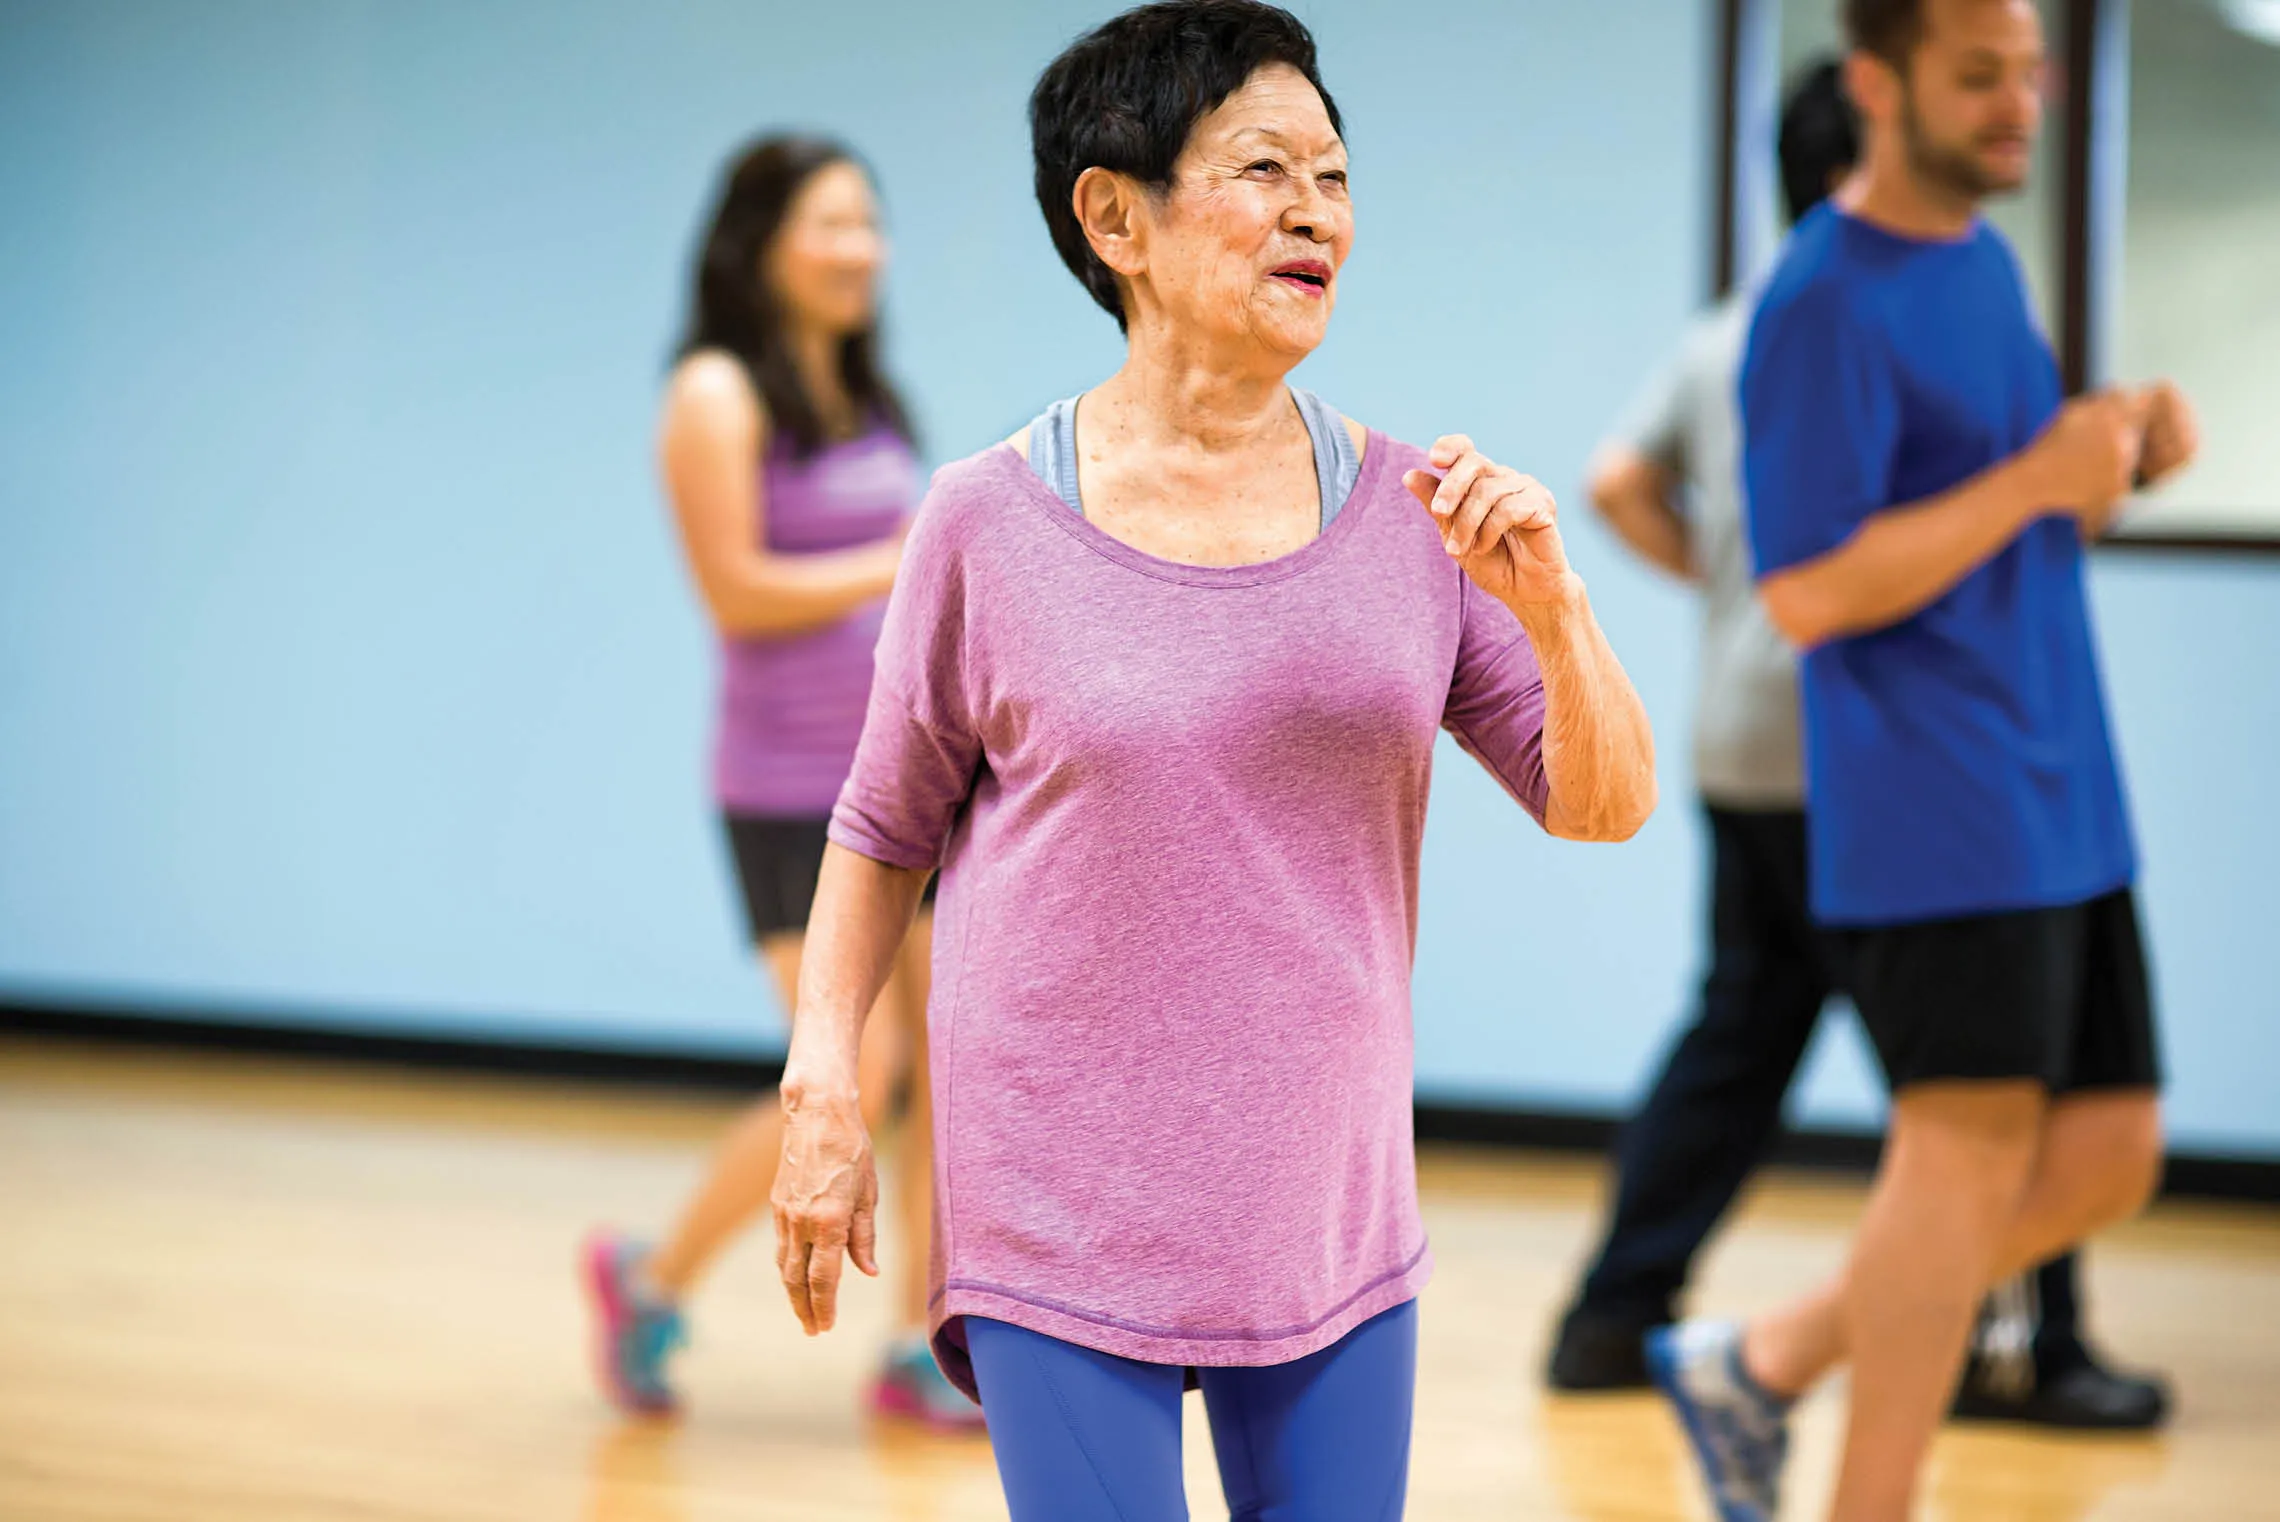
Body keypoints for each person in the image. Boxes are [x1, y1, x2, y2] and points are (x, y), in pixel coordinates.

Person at [763, 4, 1658, 1515]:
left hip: (1327, 1211)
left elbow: (1603, 805)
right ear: (1114, 216)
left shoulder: (1418, 515)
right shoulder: (985, 518)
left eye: (1335, 175)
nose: (1316, 213)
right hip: (1059, 1206)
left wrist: (1559, 613)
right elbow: (884, 823)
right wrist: (824, 1087)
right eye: (1262, 169)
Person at [1550, 60, 2168, 1432]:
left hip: (1744, 747)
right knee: (1979, 1103)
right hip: (1869, 754)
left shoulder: (1737, 327)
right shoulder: (1834, 312)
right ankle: (2018, 1343)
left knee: (1745, 1041)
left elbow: (1614, 481)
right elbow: (1845, 567)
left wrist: (1708, 574)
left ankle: (1617, 1312)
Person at [581, 135, 979, 1430]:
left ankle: (921, 1342)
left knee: (936, 1066)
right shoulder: (713, 393)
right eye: (832, 223)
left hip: (908, 773)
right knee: (851, 1066)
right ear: (758, 244)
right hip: (788, 794)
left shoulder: (865, 392)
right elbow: (738, 593)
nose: (863, 248)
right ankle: (647, 1276)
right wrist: (898, 556)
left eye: (871, 221)